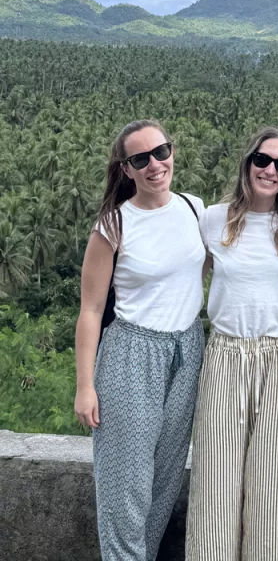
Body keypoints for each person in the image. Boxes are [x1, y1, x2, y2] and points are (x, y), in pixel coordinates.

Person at [74, 119, 205, 561]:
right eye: (141, 158)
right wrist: (85, 385)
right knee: (125, 483)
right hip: (131, 353)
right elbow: (91, 310)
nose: (155, 165)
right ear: (126, 168)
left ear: (172, 152)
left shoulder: (193, 208)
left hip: (188, 349)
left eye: (161, 152)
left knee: (165, 478)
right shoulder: (113, 225)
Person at [185, 127, 278, 561]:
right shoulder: (212, 219)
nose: (270, 170)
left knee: (275, 483)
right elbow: (184, 274)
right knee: (214, 479)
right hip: (224, 353)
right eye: (262, 160)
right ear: (248, 162)